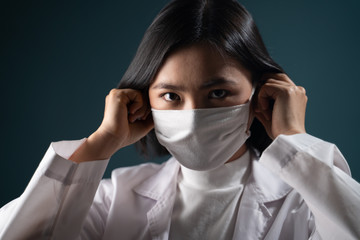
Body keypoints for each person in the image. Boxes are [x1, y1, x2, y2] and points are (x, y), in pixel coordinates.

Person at [0, 0, 359, 239]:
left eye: (218, 93)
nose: (192, 118)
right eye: (171, 96)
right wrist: (101, 142)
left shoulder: (305, 202)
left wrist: (294, 141)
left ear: (259, 94)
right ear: (143, 100)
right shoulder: (113, 201)